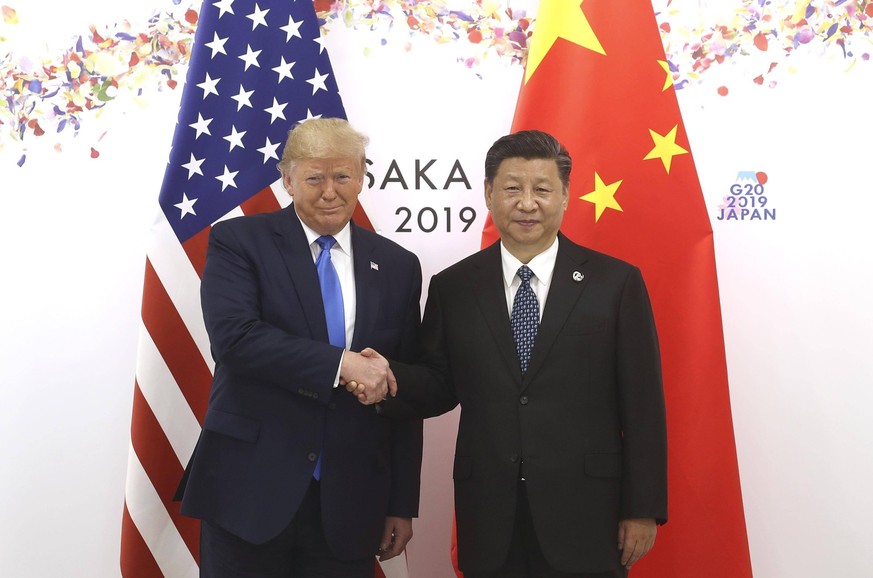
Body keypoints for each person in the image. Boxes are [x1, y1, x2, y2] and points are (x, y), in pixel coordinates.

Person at [358, 130, 667, 577]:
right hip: (490, 511)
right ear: (488, 193)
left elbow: (643, 405)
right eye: (512, 188)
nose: (527, 203)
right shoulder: (454, 287)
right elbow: (440, 384)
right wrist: (387, 379)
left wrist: (643, 508)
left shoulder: (614, 284)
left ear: (564, 195)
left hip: (587, 513)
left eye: (542, 189)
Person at [176, 118, 424, 577]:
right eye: (315, 177)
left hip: (351, 502)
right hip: (250, 491)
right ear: (288, 180)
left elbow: (398, 389)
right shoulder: (239, 242)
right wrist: (341, 364)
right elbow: (235, 339)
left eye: (343, 176)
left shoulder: (398, 266)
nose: (330, 190)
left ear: (362, 178)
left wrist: (400, 502)